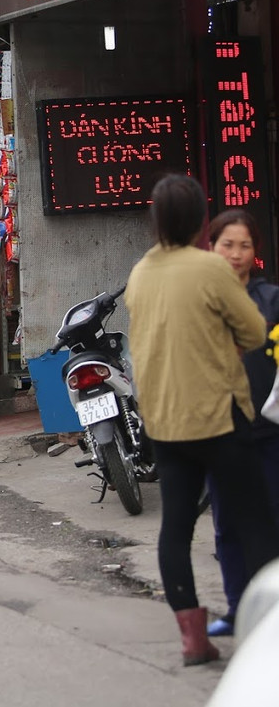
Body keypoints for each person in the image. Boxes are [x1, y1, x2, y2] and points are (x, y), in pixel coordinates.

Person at [125, 174, 279, 665]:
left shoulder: (141, 272)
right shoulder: (209, 268)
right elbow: (255, 332)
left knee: (175, 528)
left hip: (165, 424)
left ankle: (193, 639)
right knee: (254, 522)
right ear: (200, 221)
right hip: (218, 418)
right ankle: (264, 631)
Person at [204, 209, 279, 636]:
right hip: (218, 431)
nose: (236, 254)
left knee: (271, 519)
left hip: (269, 432)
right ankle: (236, 610)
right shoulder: (201, 299)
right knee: (227, 523)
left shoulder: (272, 300)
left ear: (256, 251)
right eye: (227, 244)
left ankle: (271, 613)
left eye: (244, 245)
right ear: (211, 247)